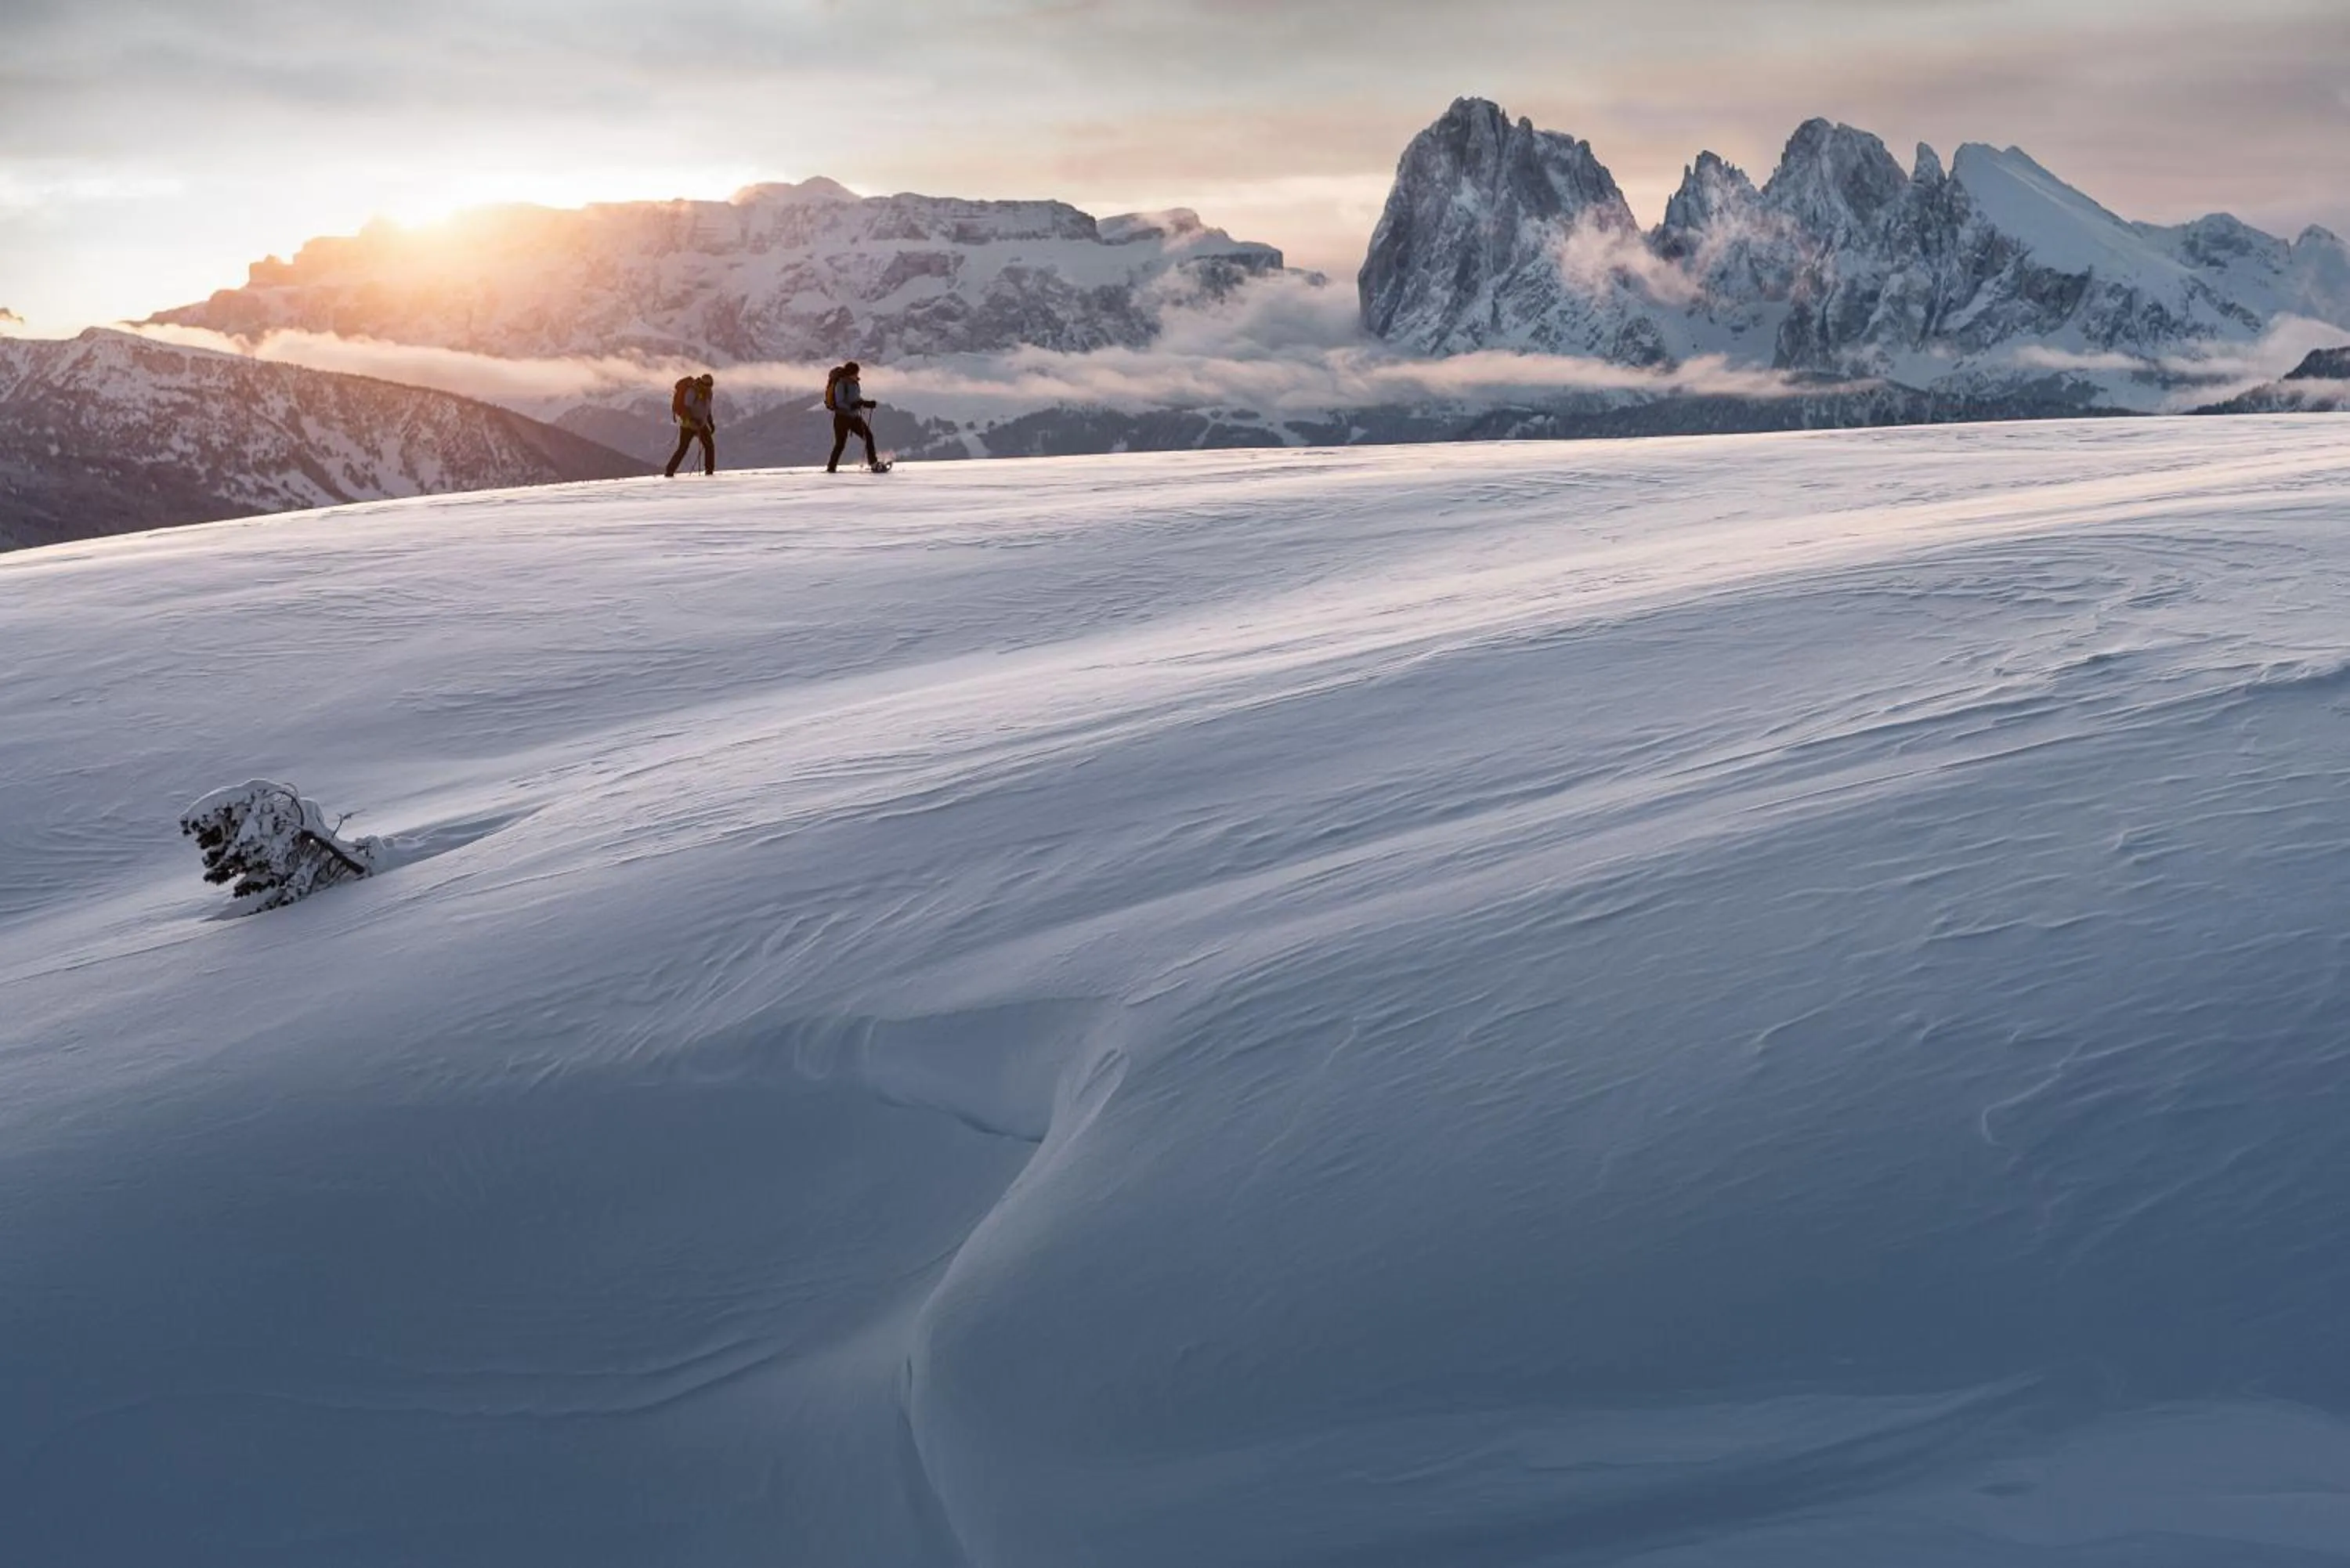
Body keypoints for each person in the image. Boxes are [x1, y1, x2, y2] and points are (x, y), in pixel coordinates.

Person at [825, 361, 883, 473]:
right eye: (856, 372)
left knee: (868, 437)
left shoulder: (854, 383)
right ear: (851, 372)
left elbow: (856, 399)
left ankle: (873, 463)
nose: (858, 374)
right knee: (840, 444)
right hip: (842, 418)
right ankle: (831, 468)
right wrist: (853, 406)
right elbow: (839, 402)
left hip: (854, 417)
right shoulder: (841, 384)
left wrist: (866, 403)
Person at [666, 373, 716, 478]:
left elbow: (707, 410)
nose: (708, 388)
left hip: (699, 424)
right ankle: (669, 471)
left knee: (708, 446)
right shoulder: (692, 391)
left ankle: (709, 471)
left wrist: (710, 422)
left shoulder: (708, 393)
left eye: (709, 386)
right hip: (688, 425)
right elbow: (686, 408)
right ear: (702, 383)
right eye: (707, 385)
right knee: (684, 448)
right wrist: (694, 420)